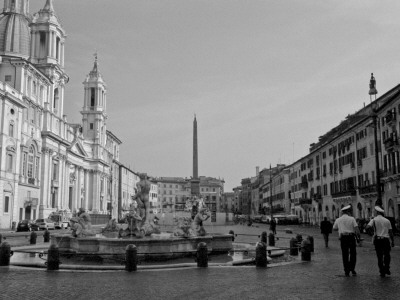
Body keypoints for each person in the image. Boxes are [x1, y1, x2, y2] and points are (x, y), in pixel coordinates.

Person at [366, 206, 395, 278]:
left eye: (375, 211)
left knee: (379, 256)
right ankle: (387, 268)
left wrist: (372, 232)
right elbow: (391, 232)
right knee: (387, 255)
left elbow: (367, 227)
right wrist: (392, 241)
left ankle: (382, 271)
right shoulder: (387, 220)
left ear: (377, 212)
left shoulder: (374, 220)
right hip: (386, 239)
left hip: (378, 239)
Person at [333, 205, 361, 277]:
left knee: (345, 254)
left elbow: (334, 228)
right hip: (351, 237)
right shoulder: (352, 219)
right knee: (353, 253)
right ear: (348, 212)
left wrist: (341, 228)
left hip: (343, 238)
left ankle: (346, 271)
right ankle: (352, 269)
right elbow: (357, 229)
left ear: (342, 212)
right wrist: (358, 237)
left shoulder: (338, 219)